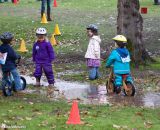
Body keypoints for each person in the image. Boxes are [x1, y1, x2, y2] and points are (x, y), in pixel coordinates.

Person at [32, 27, 55, 97]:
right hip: (38, 61)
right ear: (37, 36)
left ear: (45, 36)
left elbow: (51, 51)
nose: (40, 37)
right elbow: (34, 52)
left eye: (42, 36)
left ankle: (51, 83)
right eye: (39, 35)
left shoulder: (47, 44)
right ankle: (37, 82)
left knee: (48, 71)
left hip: (46, 61)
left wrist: (51, 58)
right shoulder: (36, 44)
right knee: (37, 72)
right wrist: (34, 58)